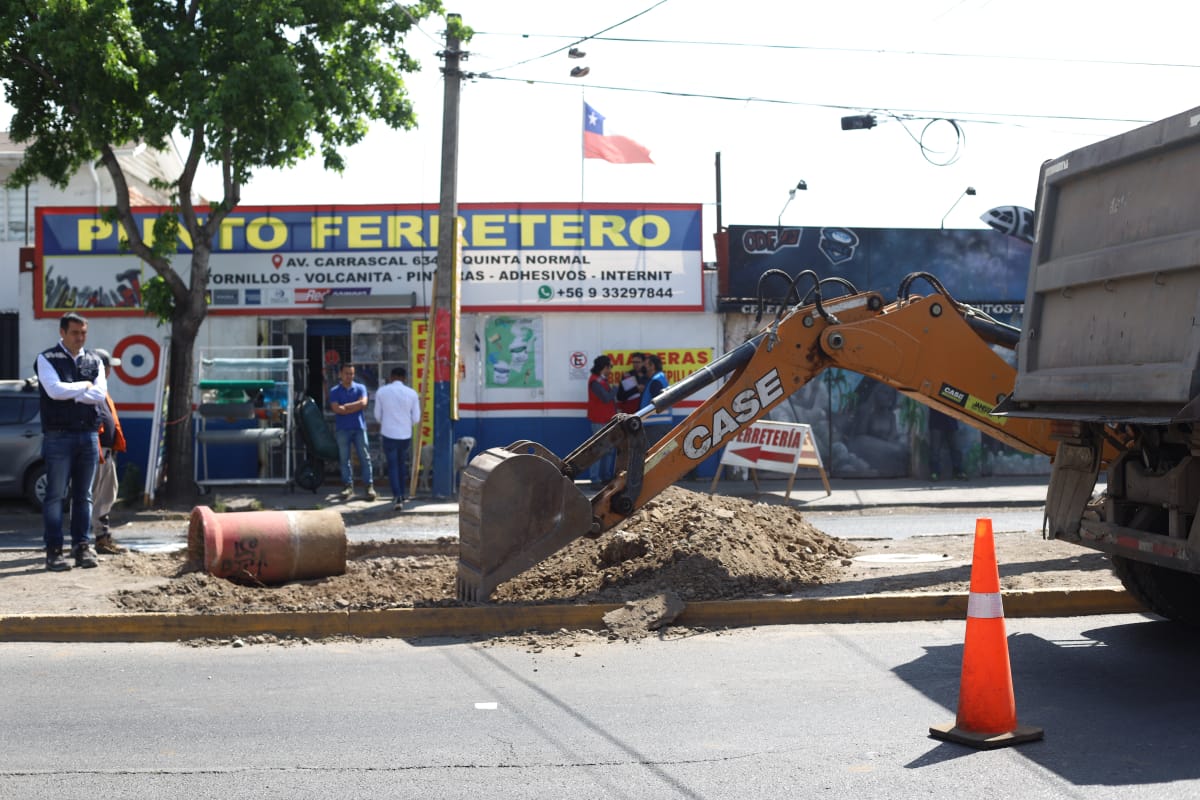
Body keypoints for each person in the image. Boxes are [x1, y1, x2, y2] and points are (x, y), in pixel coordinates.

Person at [35, 312, 106, 571]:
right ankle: (54, 551)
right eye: (75, 332)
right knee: (55, 496)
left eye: (83, 332)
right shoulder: (46, 358)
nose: (80, 337)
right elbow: (53, 391)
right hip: (58, 436)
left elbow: (100, 394)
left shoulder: (94, 360)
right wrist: (84, 387)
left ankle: (82, 548)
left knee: (84, 495)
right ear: (62, 332)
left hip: (88, 435)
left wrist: (73, 390)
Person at [91, 348, 127, 554]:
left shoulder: (101, 390)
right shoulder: (91, 390)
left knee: (106, 496)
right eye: (107, 367)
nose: (110, 371)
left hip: (106, 452)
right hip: (97, 452)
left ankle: (101, 537)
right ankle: (95, 540)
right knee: (96, 498)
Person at [373, 366, 421, 512]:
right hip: (405, 434)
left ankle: (397, 495)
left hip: (388, 433)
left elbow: (377, 415)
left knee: (392, 465)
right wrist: (406, 424)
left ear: (391, 377)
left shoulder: (382, 391)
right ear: (405, 378)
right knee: (402, 465)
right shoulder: (412, 393)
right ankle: (403, 494)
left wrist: (387, 423)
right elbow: (416, 418)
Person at [329, 362, 375, 501]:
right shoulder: (334, 391)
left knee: (365, 457)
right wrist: (355, 406)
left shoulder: (360, 388)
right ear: (340, 374)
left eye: (351, 373)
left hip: (359, 427)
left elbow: (363, 403)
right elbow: (337, 409)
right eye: (346, 373)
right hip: (342, 429)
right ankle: (347, 486)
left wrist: (347, 406)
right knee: (344, 459)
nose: (349, 376)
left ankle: (369, 486)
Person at [586, 355, 618, 484]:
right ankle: (595, 479)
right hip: (599, 420)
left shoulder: (600, 380)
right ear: (604, 367)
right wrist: (615, 389)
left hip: (607, 420)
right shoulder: (595, 381)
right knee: (599, 451)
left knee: (609, 450)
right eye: (610, 366)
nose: (611, 369)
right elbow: (605, 398)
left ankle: (605, 477)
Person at [640, 353, 674, 445]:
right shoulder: (660, 378)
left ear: (652, 366)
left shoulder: (655, 381)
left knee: (653, 455)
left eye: (646, 364)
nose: (643, 367)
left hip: (655, 424)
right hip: (660, 423)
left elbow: (657, 402)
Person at [929, 409, 967, 481]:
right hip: (936, 422)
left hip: (951, 422)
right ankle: (934, 472)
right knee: (935, 450)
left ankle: (958, 472)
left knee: (955, 449)